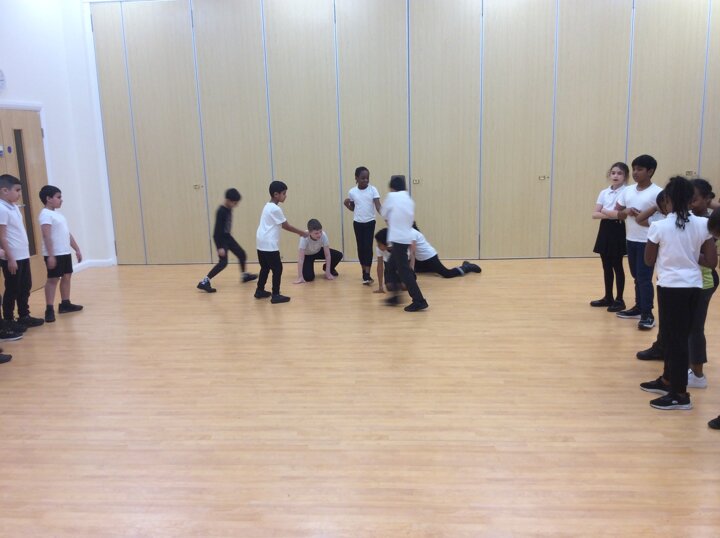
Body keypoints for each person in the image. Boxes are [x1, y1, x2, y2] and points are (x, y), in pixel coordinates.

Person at [639, 177, 717, 410]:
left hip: (671, 287)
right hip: (694, 286)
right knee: (675, 335)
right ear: (690, 199)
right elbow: (711, 261)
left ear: (668, 200)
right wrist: (689, 255)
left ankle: (680, 394)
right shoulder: (703, 224)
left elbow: (648, 260)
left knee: (676, 341)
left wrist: (673, 253)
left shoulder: (659, 226)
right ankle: (667, 380)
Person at [615, 155, 663, 330]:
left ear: (650, 171)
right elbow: (618, 213)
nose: (635, 172)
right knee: (636, 276)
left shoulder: (658, 193)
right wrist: (626, 211)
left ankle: (647, 314)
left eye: (640, 169)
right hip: (631, 239)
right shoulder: (627, 191)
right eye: (634, 169)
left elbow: (664, 218)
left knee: (643, 278)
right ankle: (638, 307)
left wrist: (643, 218)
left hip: (648, 241)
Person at [0, 174, 44, 330]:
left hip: (22, 255)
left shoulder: (13, 207)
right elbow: (2, 237)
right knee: (13, 288)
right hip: (13, 257)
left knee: (25, 286)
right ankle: (8, 320)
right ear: (5, 190)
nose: (19, 194)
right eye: (17, 190)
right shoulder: (1, 209)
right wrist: (10, 258)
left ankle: (24, 315)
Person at [380, 175, 428, 312]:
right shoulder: (409, 199)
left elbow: (383, 213)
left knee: (404, 271)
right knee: (390, 267)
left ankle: (419, 300)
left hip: (398, 239)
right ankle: (396, 297)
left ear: (392, 187)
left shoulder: (392, 196)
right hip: (406, 237)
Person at [255, 180, 307, 303]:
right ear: (276, 194)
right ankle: (276, 295)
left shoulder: (267, 206)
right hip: (269, 244)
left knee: (265, 267)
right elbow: (286, 226)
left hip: (261, 242)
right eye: (284, 193)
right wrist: (301, 232)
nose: (285, 196)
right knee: (277, 268)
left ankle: (259, 290)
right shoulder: (275, 209)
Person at [197, 188, 257, 293]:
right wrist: (219, 247)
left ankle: (244, 276)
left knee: (242, 254)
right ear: (228, 200)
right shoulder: (221, 211)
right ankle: (204, 282)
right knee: (223, 263)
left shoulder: (229, 208)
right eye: (235, 203)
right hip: (221, 239)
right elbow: (216, 232)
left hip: (228, 237)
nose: (236, 205)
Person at [38, 185, 83, 322]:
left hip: (64, 252)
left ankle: (65, 304)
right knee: (53, 280)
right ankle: (49, 309)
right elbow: (46, 236)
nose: (61, 200)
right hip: (54, 253)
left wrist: (77, 249)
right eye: (58, 197)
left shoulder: (59, 215)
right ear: (48, 199)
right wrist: (51, 255)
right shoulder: (45, 214)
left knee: (67, 276)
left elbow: (67, 234)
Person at [590, 162, 628, 312]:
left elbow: (621, 215)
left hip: (618, 229)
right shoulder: (604, 192)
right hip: (605, 229)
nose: (615, 176)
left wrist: (605, 211)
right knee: (606, 265)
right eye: (613, 173)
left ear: (625, 176)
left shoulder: (627, 192)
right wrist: (610, 213)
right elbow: (594, 214)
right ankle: (608, 297)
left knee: (617, 265)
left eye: (619, 173)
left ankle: (619, 299)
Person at [344, 166, 381, 285]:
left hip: (370, 222)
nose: (366, 180)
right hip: (358, 223)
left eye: (367, 178)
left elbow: (378, 206)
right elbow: (353, 208)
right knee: (360, 247)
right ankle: (364, 272)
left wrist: (386, 216)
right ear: (356, 178)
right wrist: (346, 205)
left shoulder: (373, 190)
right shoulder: (352, 192)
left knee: (368, 247)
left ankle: (367, 274)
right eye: (363, 178)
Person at [409, 225, 481, 278]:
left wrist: (411, 270)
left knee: (447, 274)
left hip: (429, 257)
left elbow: (412, 253)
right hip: (421, 258)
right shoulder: (407, 232)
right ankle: (431, 268)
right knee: (416, 270)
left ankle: (467, 267)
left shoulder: (412, 233)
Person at [293, 218, 343, 283]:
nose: (319, 235)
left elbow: (327, 255)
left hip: (318, 251)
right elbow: (301, 259)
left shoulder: (323, 235)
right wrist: (300, 277)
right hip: (308, 255)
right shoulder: (304, 237)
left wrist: (327, 272)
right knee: (308, 278)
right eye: (316, 233)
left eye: (320, 232)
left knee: (338, 255)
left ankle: (328, 268)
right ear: (309, 232)